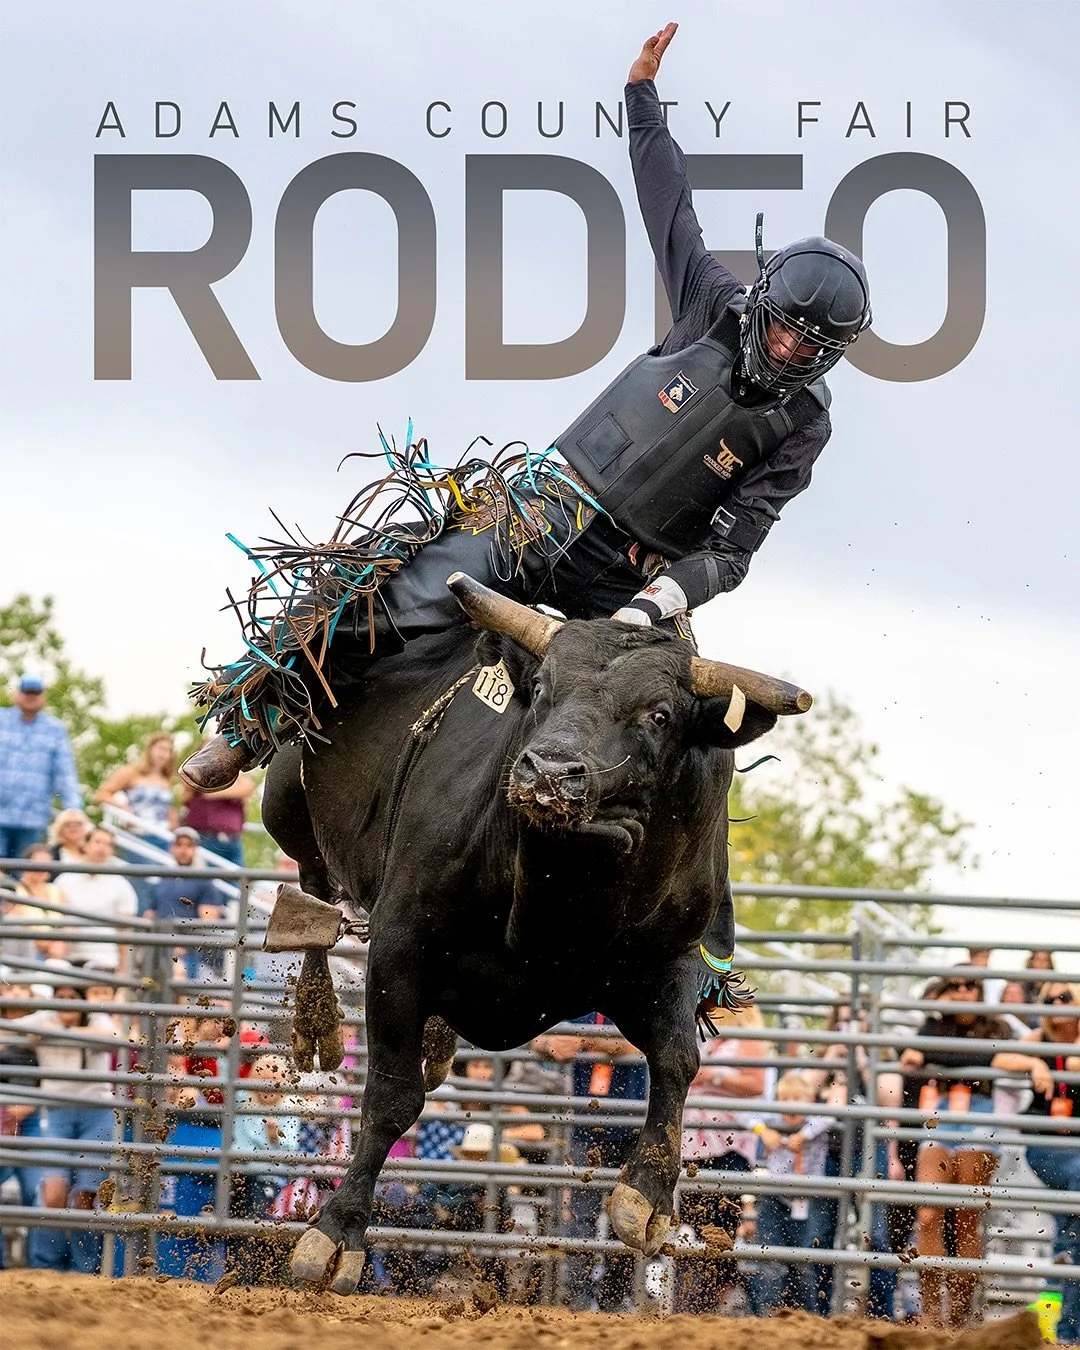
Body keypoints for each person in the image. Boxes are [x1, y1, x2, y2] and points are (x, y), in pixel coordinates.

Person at [899, 971, 1014, 1331]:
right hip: (944, 1111)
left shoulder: (996, 1026)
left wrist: (938, 1055)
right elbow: (910, 1055)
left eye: (970, 985)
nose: (963, 991)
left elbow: (993, 1057)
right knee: (929, 1215)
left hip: (979, 1110)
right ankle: (932, 1312)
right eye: (955, 985)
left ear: (980, 992)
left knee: (967, 1218)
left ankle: (959, 1315)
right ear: (946, 992)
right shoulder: (934, 1025)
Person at [991, 980, 1080, 1345]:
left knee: (1073, 1236)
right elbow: (998, 1057)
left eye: (1065, 997)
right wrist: (1033, 1063)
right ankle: (1066, 1332)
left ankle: (1058, 1330)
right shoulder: (1038, 1041)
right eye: (1049, 999)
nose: (1057, 1004)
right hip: (1051, 1148)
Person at [678, 1004, 769, 1313]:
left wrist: (713, 1077)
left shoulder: (748, 1038)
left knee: (719, 1226)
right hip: (693, 1147)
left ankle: (712, 1297)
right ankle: (698, 1298)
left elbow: (756, 1084)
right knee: (693, 1223)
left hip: (728, 1146)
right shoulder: (708, 1037)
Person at [747, 1068, 834, 1316]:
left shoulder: (813, 1122)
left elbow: (829, 1116)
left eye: (798, 1099)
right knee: (772, 1263)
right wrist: (762, 1131)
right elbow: (745, 1114)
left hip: (808, 1197)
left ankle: (806, 1316)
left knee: (805, 1264)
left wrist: (803, 1135)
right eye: (785, 1100)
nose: (791, 1105)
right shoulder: (773, 1121)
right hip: (775, 1196)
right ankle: (769, 1314)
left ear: (810, 1101)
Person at [0, 675, 83, 865]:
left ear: (43, 697)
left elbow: (64, 773)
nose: (31, 697)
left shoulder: (55, 729)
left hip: (34, 818)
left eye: (35, 693)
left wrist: (73, 810)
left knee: (29, 875)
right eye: (27, 692)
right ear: (16, 695)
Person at [143, 826, 226, 983]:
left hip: (189, 953)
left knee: (182, 988)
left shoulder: (205, 882)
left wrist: (185, 946)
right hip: (159, 947)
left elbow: (208, 922)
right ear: (172, 848)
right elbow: (150, 914)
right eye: (179, 844)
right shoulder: (161, 880)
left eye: (189, 845)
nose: (183, 850)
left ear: (196, 849)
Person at [54, 826, 139, 974]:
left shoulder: (121, 884)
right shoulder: (64, 880)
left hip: (106, 961)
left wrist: (123, 970)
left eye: (108, 844)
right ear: (85, 845)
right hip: (68, 960)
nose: (102, 848)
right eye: (97, 842)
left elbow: (125, 931)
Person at [94, 732, 178, 842]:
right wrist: (122, 806)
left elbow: (167, 808)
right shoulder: (131, 772)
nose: (164, 754)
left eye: (168, 750)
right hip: (137, 833)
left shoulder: (166, 779)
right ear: (150, 749)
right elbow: (101, 794)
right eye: (161, 748)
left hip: (162, 835)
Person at [179, 761, 256, 867]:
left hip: (232, 838)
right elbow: (185, 793)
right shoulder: (195, 774)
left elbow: (247, 788)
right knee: (209, 880)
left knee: (235, 880)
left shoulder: (235, 775)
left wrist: (215, 791)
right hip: (206, 837)